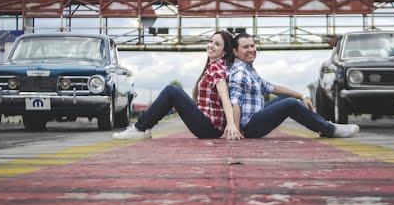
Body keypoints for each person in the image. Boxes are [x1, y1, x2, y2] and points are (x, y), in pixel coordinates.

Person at [113, 30, 244, 140]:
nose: (211, 45)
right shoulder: (213, 67)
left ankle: (139, 128)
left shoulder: (217, 68)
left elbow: (225, 99)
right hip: (209, 125)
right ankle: (144, 127)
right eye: (210, 41)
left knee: (172, 91)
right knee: (174, 91)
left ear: (225, 51)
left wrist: (231, 125)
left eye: (217, 44)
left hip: (210, 128)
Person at [228, 32, 360, 138]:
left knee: (287, 99)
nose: (251, 50)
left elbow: (273, 88)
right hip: (249, 126)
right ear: (235, 52)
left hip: (255, 117)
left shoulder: (248, 70)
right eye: (245, 47)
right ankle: (329, 129)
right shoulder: (240, 72)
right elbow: (235, 103)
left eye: (252, 46)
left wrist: (302, 96)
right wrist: (238, 130)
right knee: (290, 103)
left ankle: (323, 125)